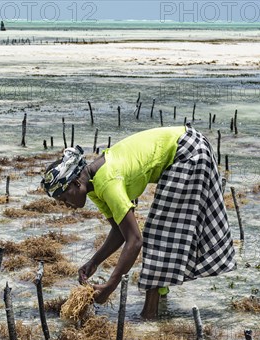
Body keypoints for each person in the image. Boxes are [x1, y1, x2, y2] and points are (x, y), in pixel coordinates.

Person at [41, 123, 236, 319]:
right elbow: (119, 231)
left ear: (76, 183)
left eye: (65, 198)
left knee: (159, 233)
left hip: (189, 152)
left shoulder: (107, 182)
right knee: (162, 231)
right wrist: (94, 262)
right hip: (187, 146)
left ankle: (150, 313)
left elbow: (135, 240)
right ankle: (158, 303)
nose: (66, 205)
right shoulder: (93, 186)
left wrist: (110, 285)